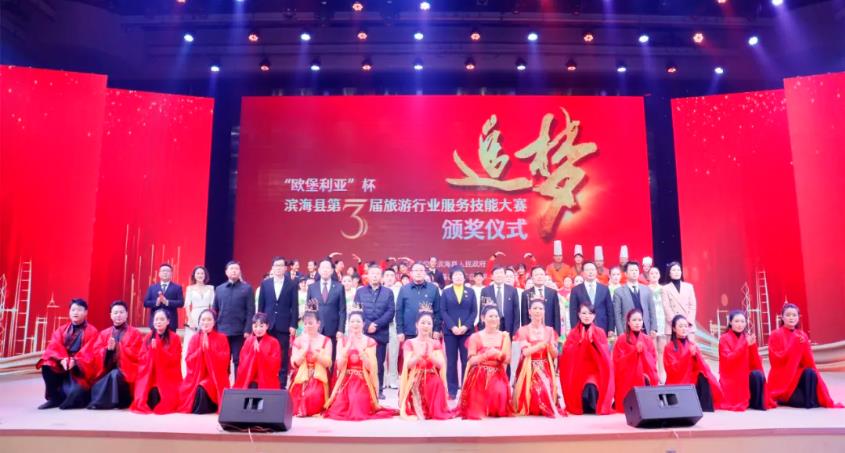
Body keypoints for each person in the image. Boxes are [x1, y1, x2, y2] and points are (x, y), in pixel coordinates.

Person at [324, 308, 398, 420]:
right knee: (338, 408)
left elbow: (371, 368)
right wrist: (348, 346)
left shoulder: (370, 342)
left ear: (363, 324)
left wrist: (359, 348)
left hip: (363, 381)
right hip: (346, 381)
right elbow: (339, 366)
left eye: (358, 321)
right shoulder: (342, 341)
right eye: (352, 321)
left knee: (356, 400)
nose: (355, 324)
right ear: (348, 324)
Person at [767, 304, 842, 408]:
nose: (791, 318)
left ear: (798, 317)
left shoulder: (802, 335)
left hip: (797, 377)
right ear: (782, 317)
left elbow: (808, 362)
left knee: (810, 372)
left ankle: (808, 400)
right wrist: (794, 345)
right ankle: (784, 397)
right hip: (782, 379)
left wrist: (804, 345)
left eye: (794, 315)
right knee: (800, 402)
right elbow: (776, 360)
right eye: (788, 315)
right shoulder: (775, 335)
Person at [36, 298, 99, 409]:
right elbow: (54, 346)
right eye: (73, 310)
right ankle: (54, 398)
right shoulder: (62, 329)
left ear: (85, 312)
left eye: (79, 310)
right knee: (47, 362)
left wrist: (76, 361)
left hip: (80, 368)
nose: (76, 312)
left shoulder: (92, 331)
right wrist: (62, 359)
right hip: (63, 364)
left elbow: (90, 353)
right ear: (69, 312)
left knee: (74, 396)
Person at [85, 301, 143, 410]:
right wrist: (107, 350)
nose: (118, 315)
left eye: (121, 312)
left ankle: (111, 402)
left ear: (127, 314)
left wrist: (118, 348)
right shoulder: (104, 333)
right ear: (111, 315)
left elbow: (137, 354)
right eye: (115, 313)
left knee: (115, 375)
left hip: (127, 371)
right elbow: (96, 352)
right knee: (103, 379)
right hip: (106, 369)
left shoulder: (135, 333)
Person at [398, 305, 454, 420]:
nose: (426, 326)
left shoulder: (435, 343)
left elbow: (441, 364)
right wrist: (417, 356)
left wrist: (430, 356)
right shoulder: (409, 342)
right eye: (423, 323)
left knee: (437, 383)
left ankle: (435, 409)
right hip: (415, 376)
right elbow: (407, 365)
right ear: (416, 325)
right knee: (417, 385)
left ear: (432, 326)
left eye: (429, 323)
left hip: (431, 374)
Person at [459, 303, 513, 419]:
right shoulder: (475, 336)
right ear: (483, 318)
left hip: (497, 373)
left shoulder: (504, 336)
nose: (494, 319)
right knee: (477, 403)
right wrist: (486, 355)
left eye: (496, 316)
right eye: (490, 316)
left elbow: (508, 360)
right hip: (479, 373)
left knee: (499, 394)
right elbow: (471, 360)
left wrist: (499, 355)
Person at [560, 302, 614, 415]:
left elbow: (605, 355)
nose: (587, 316)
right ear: (579, 315)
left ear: (594, 316)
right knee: (580, 385)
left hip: (595, 370)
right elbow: (566, 355)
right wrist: (580, 343)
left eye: (590, 313)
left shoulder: (600, 332)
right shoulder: (573, 333)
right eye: (584, 313)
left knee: (591, 384)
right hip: (578, 370)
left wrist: (594, 343)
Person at [719, 310, 775, 411]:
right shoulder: (724, 338)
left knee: (757, 374)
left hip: (745, 372)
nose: (740, 324)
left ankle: (756, 403)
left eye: (742, 321)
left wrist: (752, 347)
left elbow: (755, 363)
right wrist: (745, 345)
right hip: (731, 375)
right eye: (736, 321)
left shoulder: (747, 338)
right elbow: (728, 360)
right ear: (730, 322)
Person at [664, 314, 722, 412]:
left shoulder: (692, 345)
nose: (684, 328)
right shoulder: (669, 347)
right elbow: (672, 370)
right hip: (676, 382)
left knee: (703, 375)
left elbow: (701, 366)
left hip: (691, 380)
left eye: (686, 326)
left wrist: (696, 356)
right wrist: (688, 355)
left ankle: (705, 407)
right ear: (674, 329)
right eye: (680, 326)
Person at [513, 298, 560, 417]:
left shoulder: (549, 330)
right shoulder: (523, 330)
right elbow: (525, 352)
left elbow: (555, 355)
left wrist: (551, 347)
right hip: (528, 367)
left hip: (545, 366)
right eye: (535, 308)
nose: (538, 311)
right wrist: (540, 345)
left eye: (540, 308)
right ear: (529, 311)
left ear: (544, 311)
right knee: (534, 391)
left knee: (545, 390)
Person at [130, 309, 183, 414]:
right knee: (149, 394)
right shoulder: (148, 337)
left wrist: (159, 350)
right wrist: (152, 352)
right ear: (153, 322)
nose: (159, 322)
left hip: (168, 376)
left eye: (162, 319)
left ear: (168, 321)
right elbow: (141, 358)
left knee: (165, 397)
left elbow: (175, 360)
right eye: (156, 319)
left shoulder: (175, 338)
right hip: (151, 375)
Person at [177, 309, 230, 414]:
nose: (206, 322)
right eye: (203, 319)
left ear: (214, 322)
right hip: (196, 376)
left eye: (209, 320)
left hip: (215, 377)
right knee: (186, 392)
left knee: (202, 388)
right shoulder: (194, 338)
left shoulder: (222, 338)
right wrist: (201, 350)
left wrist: (209, 350)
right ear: (199, 322)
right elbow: (188, 360)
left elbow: (225, 360)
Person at [355, 264, 395, 399]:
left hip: (380, 333)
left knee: (379, 363)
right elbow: (357, 311)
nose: (375, 276)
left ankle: (378, 390)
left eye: (377, 274)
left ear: (381, 277)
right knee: (363, 362)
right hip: (364, 334)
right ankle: (364, 388)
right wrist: (367, 325)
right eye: (372, 273)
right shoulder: (360, 292)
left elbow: (390, 312)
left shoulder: (388, 292)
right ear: (367, 275)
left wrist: (376, 325)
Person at [257, 257, 297, 388]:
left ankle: (281, 385)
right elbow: (261, 305)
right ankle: (265, 382)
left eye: (281, 265)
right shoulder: (265, 283)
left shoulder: (291, 284)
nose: (278, 268)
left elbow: (294, 306)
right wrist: (259, 323)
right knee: (265, 354)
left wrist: (293, 325)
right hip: (267, 325)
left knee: (282, 355)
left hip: (283, 325)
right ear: (272, 268)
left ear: (285, 268)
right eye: (276, 265)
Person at [289, 302, 333, 417]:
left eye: (311, 323)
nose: (308, 326)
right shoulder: (298, 340)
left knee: (312, 395)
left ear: (318, 324)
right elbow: (294, 363)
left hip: (319, 376)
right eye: (305, 323)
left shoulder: (326, 340)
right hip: (301, 375)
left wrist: (316, 354)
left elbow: (328, 363)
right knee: (296, 397)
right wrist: (304, 350)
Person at [214, 260, 255, 378]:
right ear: (226, 272)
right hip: (222, 331)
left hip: (240, 331)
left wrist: (248, 329)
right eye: (231, 269)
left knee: (239, 360)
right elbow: (214, 310)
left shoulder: (247, 289)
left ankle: (238, 385)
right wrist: (215, 329)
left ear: (239, 272)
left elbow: (250, 311)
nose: (234, 271)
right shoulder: (219, 289)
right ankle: (223, 384)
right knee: (223, 360)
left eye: (236, 269)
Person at [441, 267, 478, 400]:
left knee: (466, 361)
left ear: (464, 277)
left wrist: (465, 326)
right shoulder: (446, 292)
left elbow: (474, 312)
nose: (458, 277)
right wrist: (452, 327)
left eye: (460, 275)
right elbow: (443, 311)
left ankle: (466, 389)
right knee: (451, 362)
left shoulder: (471, 292)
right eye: (455, 275)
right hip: (450, 332)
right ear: (451, 277)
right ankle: (452, 391)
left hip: (467, 332)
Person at [612, 309, 657, 412]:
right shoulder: (622, 339)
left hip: (645, 372)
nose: (637, 323)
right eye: (634, 320)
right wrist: (634, 353)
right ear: (628, 322)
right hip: (627, 374)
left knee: (647, 376)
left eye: (640, 320)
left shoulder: (647, 339)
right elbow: (618, 362)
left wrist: (643, 352)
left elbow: (653, 360)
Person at [306, 259, 346, 363]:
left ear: (332, 270)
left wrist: (341, 330)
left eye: (327, 268)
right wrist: (308, 327)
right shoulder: (312, 287)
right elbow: (308, 310)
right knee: (314, 359)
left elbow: (342, 311)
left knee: (330, 360)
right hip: (315, 329)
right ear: (318, 270)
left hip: (333, 329)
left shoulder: (339, 287)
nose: (325, 270)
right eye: (323, 267)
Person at [396, 262, 442, 343]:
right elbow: (399, 311)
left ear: (425, 273)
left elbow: (438, 311)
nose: (418, 273)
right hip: (409, 332)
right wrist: (400, 331)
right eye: (416, 270)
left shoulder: (433, 289)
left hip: (428, 332)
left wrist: (437, 329)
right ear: (411, 273)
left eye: (421, 270)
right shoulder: (404, 289)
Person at [234, 313, 282, 389]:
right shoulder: (248, 341)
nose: (258, 329)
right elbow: (242, 361)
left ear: (267, 326)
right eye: (255, 326)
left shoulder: (273, 342)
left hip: (266, 380)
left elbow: (275, 364)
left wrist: (260, 354)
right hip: (250, 379)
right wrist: (253, 354)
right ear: (252, 326)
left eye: (261, 326)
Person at [182, 265, 214, 373]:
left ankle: (206, 368)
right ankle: (190, 370)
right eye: (198, 273)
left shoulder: (210, 288)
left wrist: (212, 319)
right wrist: (190, 320)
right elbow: (187, 306)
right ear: (194, 275)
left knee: (207, 341)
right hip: (194, 315)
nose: (200, 275)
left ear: (205, 275)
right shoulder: (190, 288)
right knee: (192, 342)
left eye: (202, 273)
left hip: (207, 315)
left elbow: (212, 305)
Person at [613, 262, 657, 339]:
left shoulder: (647, 290)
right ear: (626, 274)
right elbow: (617, 315)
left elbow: (652, 310)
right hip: (627, 330)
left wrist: (653, 328)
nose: (634, 272)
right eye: (631, 270)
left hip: (645, 329)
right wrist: (620, 333)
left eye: (636, 270)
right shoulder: (619, 292)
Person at [569, 262, 614, 335]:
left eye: (593, 270)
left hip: (602, 327)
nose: (590, 272)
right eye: (587, 270)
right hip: (582, 328)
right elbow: (573, 312)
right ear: (582, 273)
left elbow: (610, 310)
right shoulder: (576, 290)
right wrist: (575, 330)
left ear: (596, 271)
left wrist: (611, 329)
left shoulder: (604, 289)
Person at [662, 262, 697, 341]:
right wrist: (676, 323)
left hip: (688, 324)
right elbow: (666, 307)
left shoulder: (689, 287)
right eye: (674, 270)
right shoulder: (665, 288)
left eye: (678, 270)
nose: (676, 272)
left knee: (689, 348)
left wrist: (688, 321)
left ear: (681, 272)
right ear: (669, 273)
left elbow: (693, 305)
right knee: (673, 348)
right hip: (672, 325)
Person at [142, 263, 184, 332]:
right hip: (155, 321)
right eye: (163, 271)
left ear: (171, 274)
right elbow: (145, 303)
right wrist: (156, 302)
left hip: (171, 321)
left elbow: (181, 303)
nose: (165, 273)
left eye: (167, 271)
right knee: (155, 339)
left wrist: (167, 302)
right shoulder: (152, 288)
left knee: (170, 339)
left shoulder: (177, 287)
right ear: (159, 274)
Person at [480, 265, 520, 336]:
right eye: (496, 273)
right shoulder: (485, 291)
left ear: (504, 275)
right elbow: (483, 311)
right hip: (491, 325)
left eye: (501, 273)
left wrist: (515, 331)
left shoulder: (512, 290)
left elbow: (516, 312)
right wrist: (483, 329)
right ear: (492, 276)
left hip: (508, 326)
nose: (499, 275)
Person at [521, 266, 561, 334]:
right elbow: (524, 317)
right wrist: (525, 333)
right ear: (532, 278)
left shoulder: (552, 293)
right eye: (536, 275)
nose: (539, 277)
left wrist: (556, 333)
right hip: (532, 333)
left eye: (541, 274)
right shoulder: (526, 294)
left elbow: (556, 316)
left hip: (549, 332)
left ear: (545, 276)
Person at [382, 268, 402, 390]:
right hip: (381, 325)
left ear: (395, 278)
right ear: (383, 278)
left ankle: (393, 380)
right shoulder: (379, 290)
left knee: (394, 353)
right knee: (381, 354)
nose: (389, 278)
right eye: (387, 275)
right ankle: (383, 379)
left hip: (394, 325)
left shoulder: (399, 290)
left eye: (391, 275)